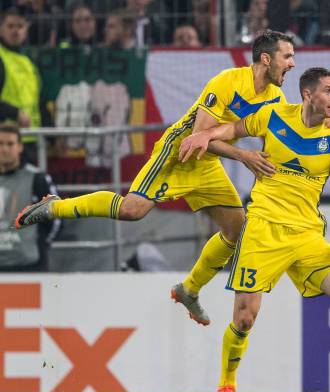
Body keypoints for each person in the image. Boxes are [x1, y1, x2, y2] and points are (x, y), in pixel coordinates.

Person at [15, 31, 297, 327]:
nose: (292, 64)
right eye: (287, 56)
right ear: (266, 59)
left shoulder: (275, 98)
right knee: (131, 210)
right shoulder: (228, 81)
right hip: (179, 152)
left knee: (237, 231)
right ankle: (54, 206)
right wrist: (245, 157)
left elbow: (280, 143)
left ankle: (189, 289)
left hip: (209, 165)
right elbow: (200, 138)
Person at [178, 67, 330, 392]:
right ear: (307, 94)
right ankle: (226, 387)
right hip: (263, 229)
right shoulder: (272, 116)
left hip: (306, 236)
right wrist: (205, 134)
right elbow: (233, 127)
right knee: (244, 318)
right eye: (328, 91)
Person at [0, 124, 60, 272]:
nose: (5, 149)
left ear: (20, 147)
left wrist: (40, 244)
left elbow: (57, 216)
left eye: (10, 144)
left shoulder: (37, 178)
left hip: (29, 266)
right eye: (0, 144)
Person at [0, 7, 45, 162]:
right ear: (1, 29)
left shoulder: (29, 61)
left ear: (26, 30)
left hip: (31, 140)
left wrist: (53, 137)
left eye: (20, 26)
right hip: (6, 141)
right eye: (10, 26)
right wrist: (15, 113)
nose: (15, 31)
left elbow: (38, 101)